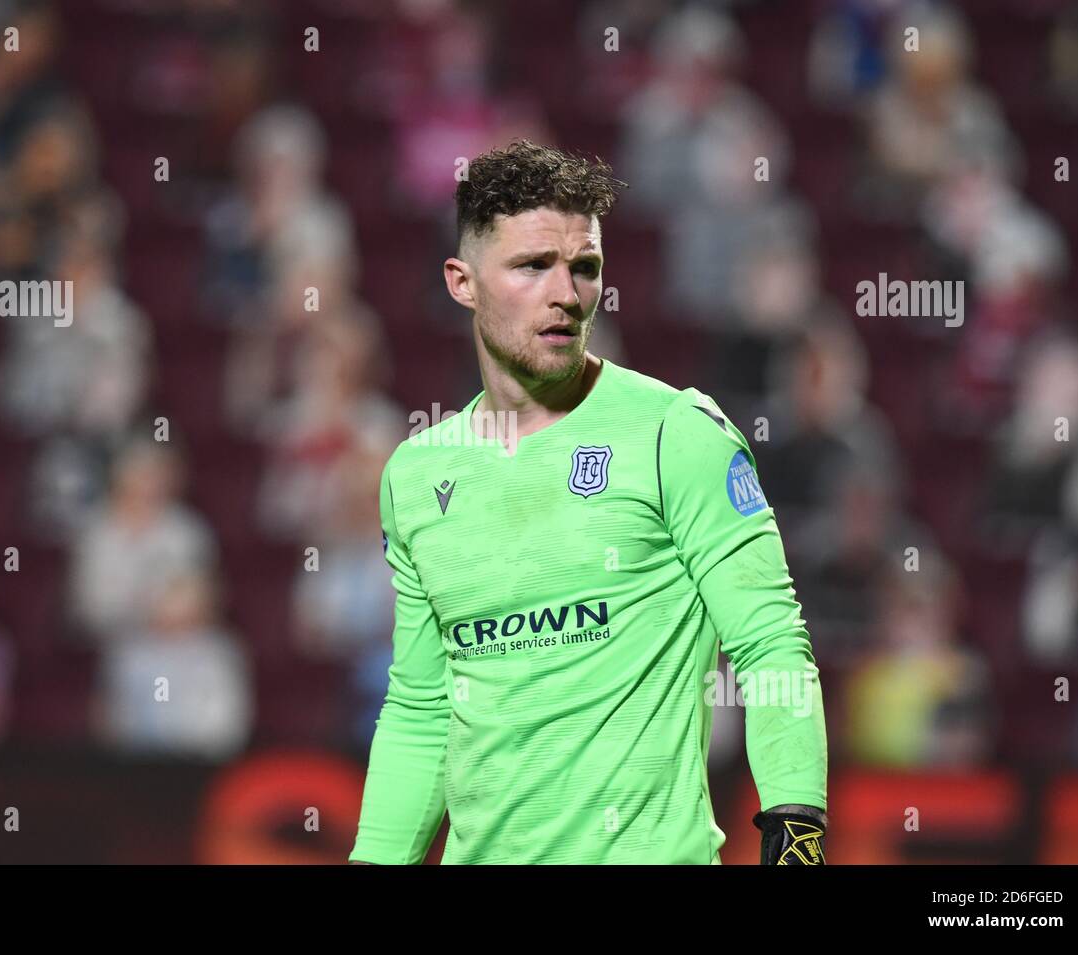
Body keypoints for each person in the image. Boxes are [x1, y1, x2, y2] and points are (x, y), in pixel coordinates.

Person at [349, 141, 827, 865]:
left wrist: (797, 829)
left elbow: (770, 645)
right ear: (462, 281)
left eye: (585, 267)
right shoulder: (416, 476)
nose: (566, 294)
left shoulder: (680, 435)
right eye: (533, 265)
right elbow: (422, 709)